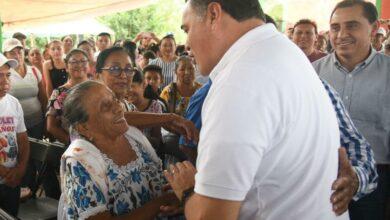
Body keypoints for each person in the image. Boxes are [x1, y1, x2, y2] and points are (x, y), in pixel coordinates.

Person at [165, 0, 348, 219]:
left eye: (187, 29)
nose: (186, 44)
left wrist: (188, 191)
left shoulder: (239, 80)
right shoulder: (284, 51)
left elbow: (212, 216)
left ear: (214, 14)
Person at [313, 1, 390, 219]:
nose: (341, 34)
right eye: (335, 28)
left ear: (373, 29)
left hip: (376, 185)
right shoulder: (311, 74)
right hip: (321, 181)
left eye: (352, 26)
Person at [59, 80, 179, 219]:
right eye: (105, 106)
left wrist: (174, 188)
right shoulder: (79, 161)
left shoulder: (133, 136)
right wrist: (162, 202)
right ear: (83, 128)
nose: (118, 108)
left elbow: (155, 180)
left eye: (115, 100)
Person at [96, 47, 198, 151]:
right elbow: (121, 117)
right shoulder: (93, 102)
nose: (123, 75)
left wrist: (177, 128)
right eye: (115, 69)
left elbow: (141, 123)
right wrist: (171, 117)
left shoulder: (128, 106)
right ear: (97, 75)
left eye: (128, 69)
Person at [0, 53, 30, 217]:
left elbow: (23, 140)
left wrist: (20, 169)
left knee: (11, 214)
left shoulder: (13, 103)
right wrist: (3, 171)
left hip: (12, 181)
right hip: (6, 176)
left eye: (8, 75)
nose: (5, 81)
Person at [3, 39, 47, 139]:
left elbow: (43, 99)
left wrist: (46, 122)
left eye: (19, 52)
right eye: (12, 53)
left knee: (37, 152)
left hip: (37, 123)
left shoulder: (34, 71)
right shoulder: (4, 74)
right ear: (5, 56)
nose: (17, 55)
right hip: (14, 127)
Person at [46, 49, 90, 145]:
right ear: (66, 67)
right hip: (74, 147)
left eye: (83, 61)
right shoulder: (59, 93)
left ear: (88, 65)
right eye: (74, 62)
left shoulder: (98, 88)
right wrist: (72, 143)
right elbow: (51, 126)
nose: (79, 65)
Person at [127, 70, 163, 149]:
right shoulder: (123, 106)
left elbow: (157, 141)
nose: (127, 91)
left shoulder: (155, 106)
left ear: (143, 84)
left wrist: (138, 139)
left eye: (131, 86)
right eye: (124, 87)